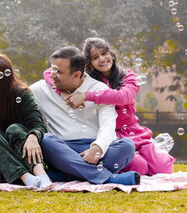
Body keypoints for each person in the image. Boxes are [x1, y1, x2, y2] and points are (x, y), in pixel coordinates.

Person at [44, 38, 175, 176]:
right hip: (112, 135)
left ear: (111, 54)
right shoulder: (90, 80)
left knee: (164, 168)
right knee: (140, 168)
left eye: (104, 53)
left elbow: (125, 96)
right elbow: (48, 73)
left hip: (133, 131)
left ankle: (151, 150)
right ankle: (134, 159)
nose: (102, 59)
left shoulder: (127, 76)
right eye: (95, 57)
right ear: (90, 64)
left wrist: (86, 96)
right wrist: (62, 93)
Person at [30, 46, 140, 186]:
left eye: (58, 71)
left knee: (127, 146)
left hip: (92, 149)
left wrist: (98, 148)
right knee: (46, 140)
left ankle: (64, 173)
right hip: (62, 148)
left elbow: (108, 125)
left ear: (76, 75)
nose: (52, 75)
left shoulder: (99, 89)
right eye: (52, 69)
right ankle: (107, 178)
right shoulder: (40, 89)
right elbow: (19, 99)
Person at [0, 54, 53, 189]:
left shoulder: (22, 94)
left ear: (0, 82)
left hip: (22, 152)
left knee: (14, 128)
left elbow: (38, 124)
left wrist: (32, 136)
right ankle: (27, 178)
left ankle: (41, 175)